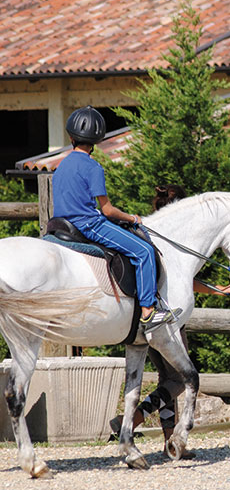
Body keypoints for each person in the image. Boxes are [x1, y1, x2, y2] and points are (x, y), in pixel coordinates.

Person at [110, 183, 230, 457]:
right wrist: (219, 288)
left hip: (148, 320)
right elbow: (183, 281)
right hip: (165, 321)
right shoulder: (168, 240)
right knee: (181, 379)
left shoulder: (151, 235)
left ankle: (170, 440)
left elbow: (184, 280)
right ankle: (137, 416)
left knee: (167, 379)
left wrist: (218, 289)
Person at [52, 106, 180, 333]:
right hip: (90, 224)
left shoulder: (60, 166)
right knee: (144, 251)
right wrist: (132, 217)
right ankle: (149, 311)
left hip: (62, 223)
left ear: (71, 137)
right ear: (97, 139)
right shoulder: (93, 167)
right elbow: (108, 211)